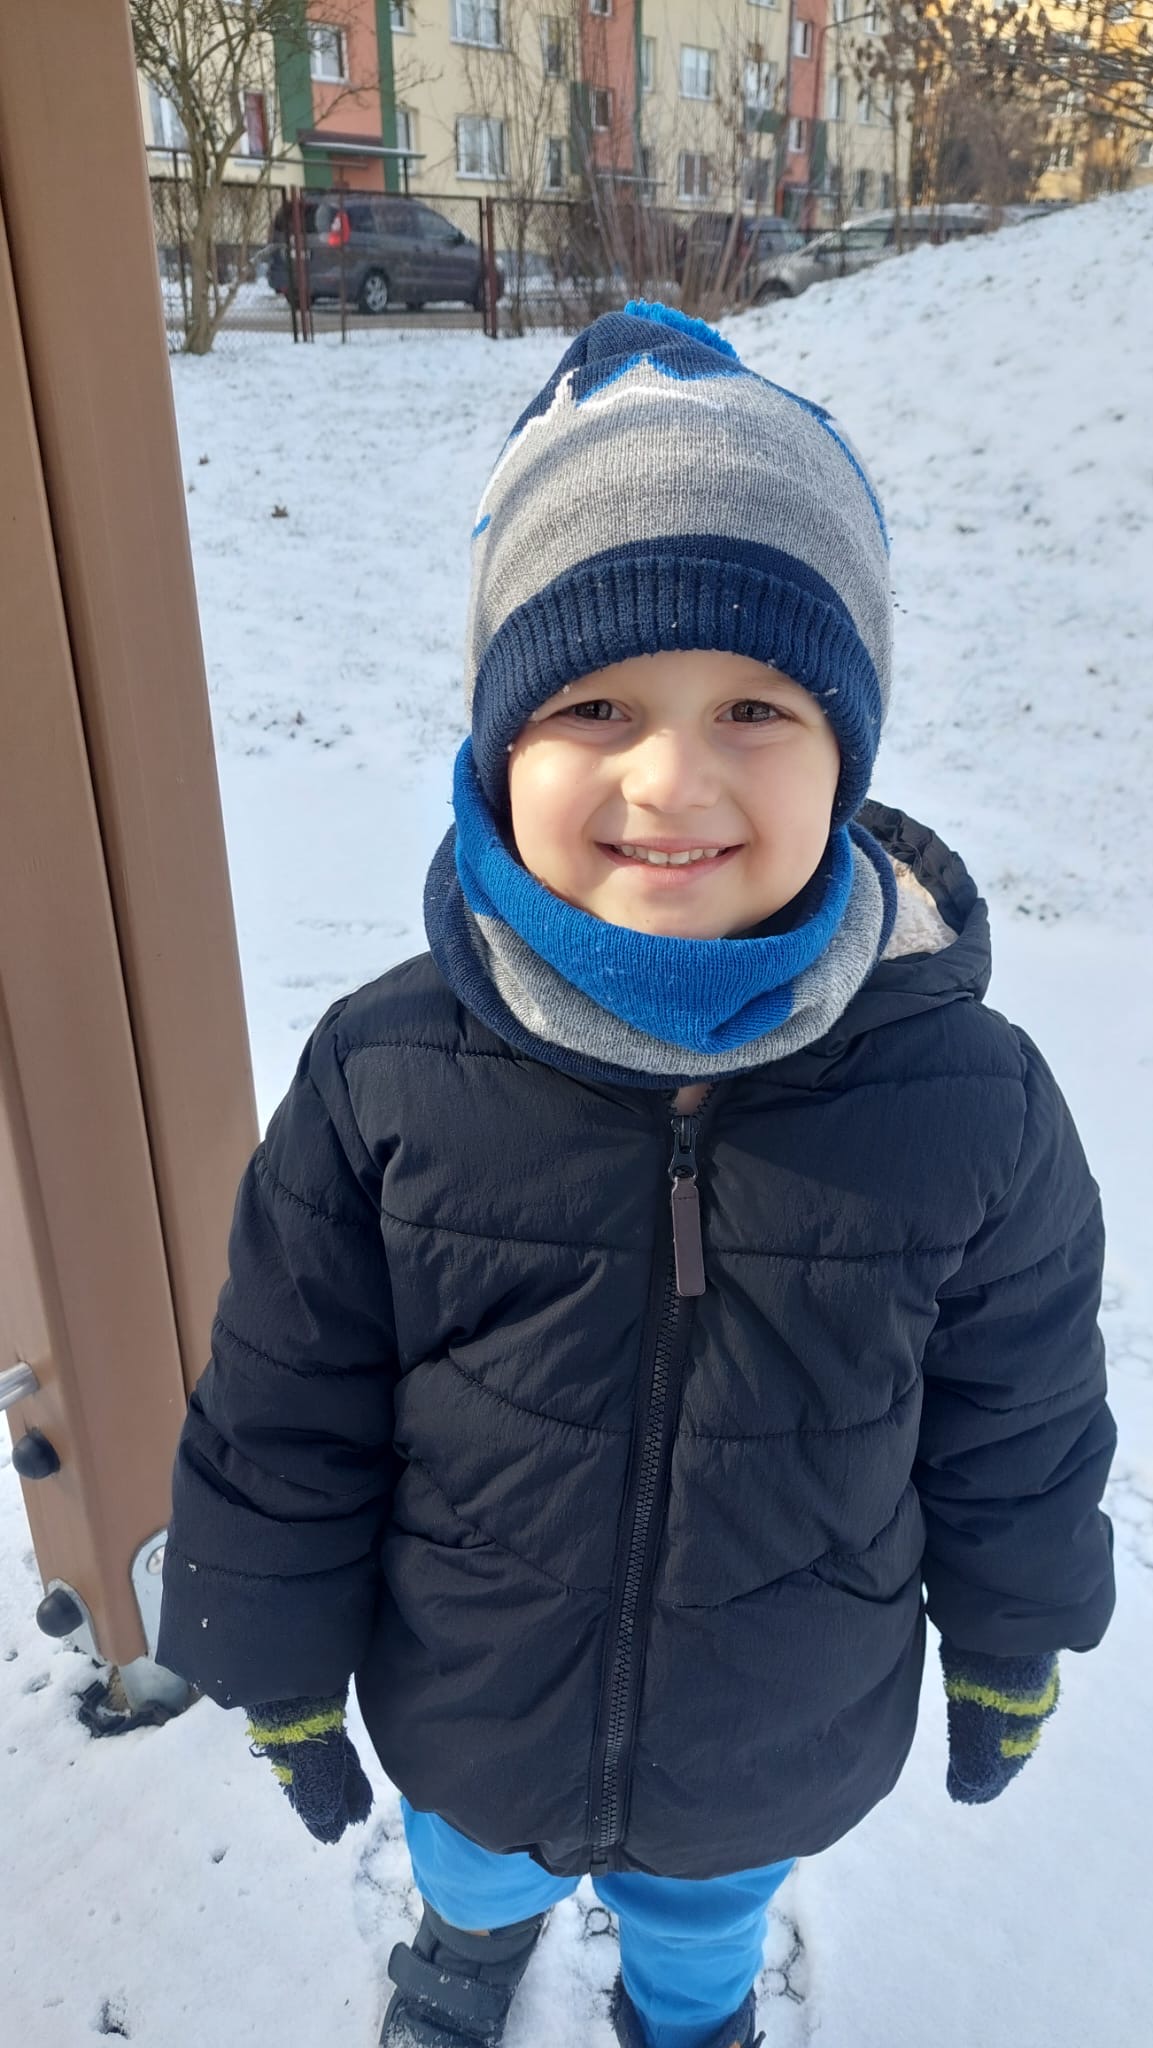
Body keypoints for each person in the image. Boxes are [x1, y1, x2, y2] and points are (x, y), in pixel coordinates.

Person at [156, 304, 1116, 2048]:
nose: (672, 777)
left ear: (847, 749)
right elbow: (288, 1399)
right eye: (594, 703)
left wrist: (1012, 1629)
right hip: (470, 1699)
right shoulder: (384, 1074)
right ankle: (466, 1947)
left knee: (703, 1910)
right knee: (471, 1862)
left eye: (754, 705)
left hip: (771, 1723)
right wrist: (274, 1653)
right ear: (498, 742)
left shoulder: (966, 1101)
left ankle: (690, 2009)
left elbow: (1017, 1415)